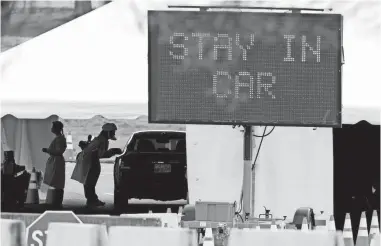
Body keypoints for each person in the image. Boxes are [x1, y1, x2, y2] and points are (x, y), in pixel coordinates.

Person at [71, 123, 122, 207]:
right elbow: (100, 154)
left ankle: (92, 199)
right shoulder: (102, 140)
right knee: (90, 182)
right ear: (108, 132)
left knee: (89, 182)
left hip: (89, 161)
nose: (114, 134)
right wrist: (113, 151)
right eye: (113, 132)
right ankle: (92, 200)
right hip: (90, 162)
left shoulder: (100, 139)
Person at [42, 121, 67, 208]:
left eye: (53, 127)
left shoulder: (60, 139)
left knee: (57, 182)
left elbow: (59, 151)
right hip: (55, 160)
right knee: (55, 181)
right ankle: (55, 201)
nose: (51, 128)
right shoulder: (59, 138)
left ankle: (57, 202)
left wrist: (47, 150)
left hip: (57, 161)